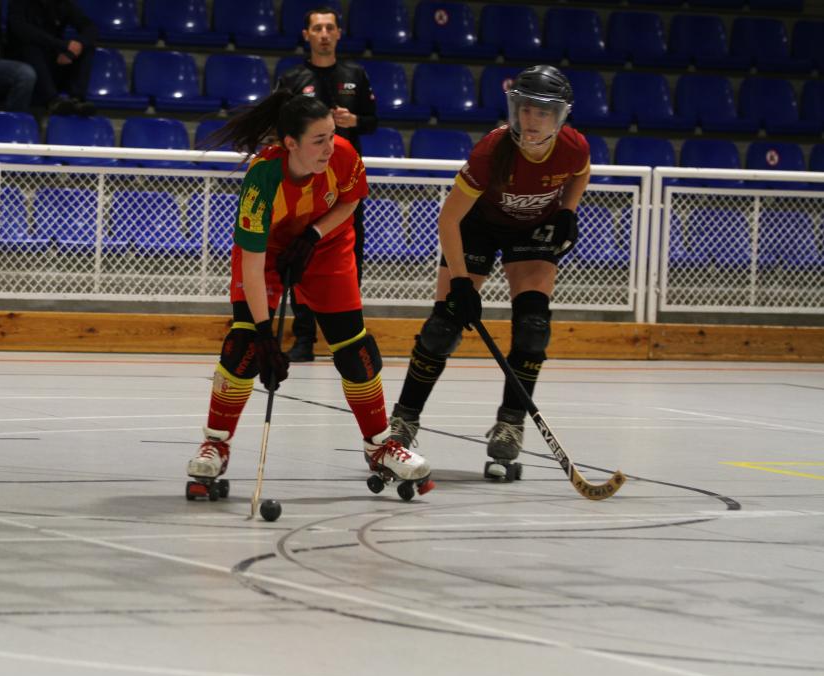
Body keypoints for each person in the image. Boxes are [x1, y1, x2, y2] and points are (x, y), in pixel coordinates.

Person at [187, 89, 428, 491]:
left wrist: (313, 235)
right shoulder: (263, 178)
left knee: (355, 350)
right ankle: (216, 444)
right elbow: (251, 261)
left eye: (332, 135)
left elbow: (349, 202)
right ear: (291, 143)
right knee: (244, 346)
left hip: (326, 245)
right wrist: (264, 335)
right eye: (319, 140)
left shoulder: (344, 156)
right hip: (267, 253)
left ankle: (380, 446)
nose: (330, 147)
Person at [388, 65, 590, 466]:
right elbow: (449, 220)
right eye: (525, 109)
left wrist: (568, 210)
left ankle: (510, 423)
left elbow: (580, 174)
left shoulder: (573, 146)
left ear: (560, 117)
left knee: (533, 328)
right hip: (477, 226)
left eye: (542, 112)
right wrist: (461, 284)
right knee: (442, 328)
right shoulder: (491, 152)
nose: (531, 120)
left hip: (530, 231)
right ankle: (404, 419)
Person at [276, 6, 377, 363]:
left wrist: (354, 120)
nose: (323, 34)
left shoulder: (355, 75)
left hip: (346, 180)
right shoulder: (292, 78)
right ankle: (304, 338)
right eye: (317, 28)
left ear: (338, 34)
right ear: (306, 35)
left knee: (350, 256)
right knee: (300, 254)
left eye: (329, 28)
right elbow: (279, 126)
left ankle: (346, 337)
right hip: (304, 182)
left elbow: (373, 121)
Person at [7, 0, 97, 116]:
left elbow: (89, 27)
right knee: (30, 46)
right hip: (26, 65)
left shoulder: (62, 3)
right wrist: (61, 45)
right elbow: (22, 30)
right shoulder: (19, 3)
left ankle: (77, 99)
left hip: (53, 61)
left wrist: (76, 47)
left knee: (85, 48)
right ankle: (53, 100)